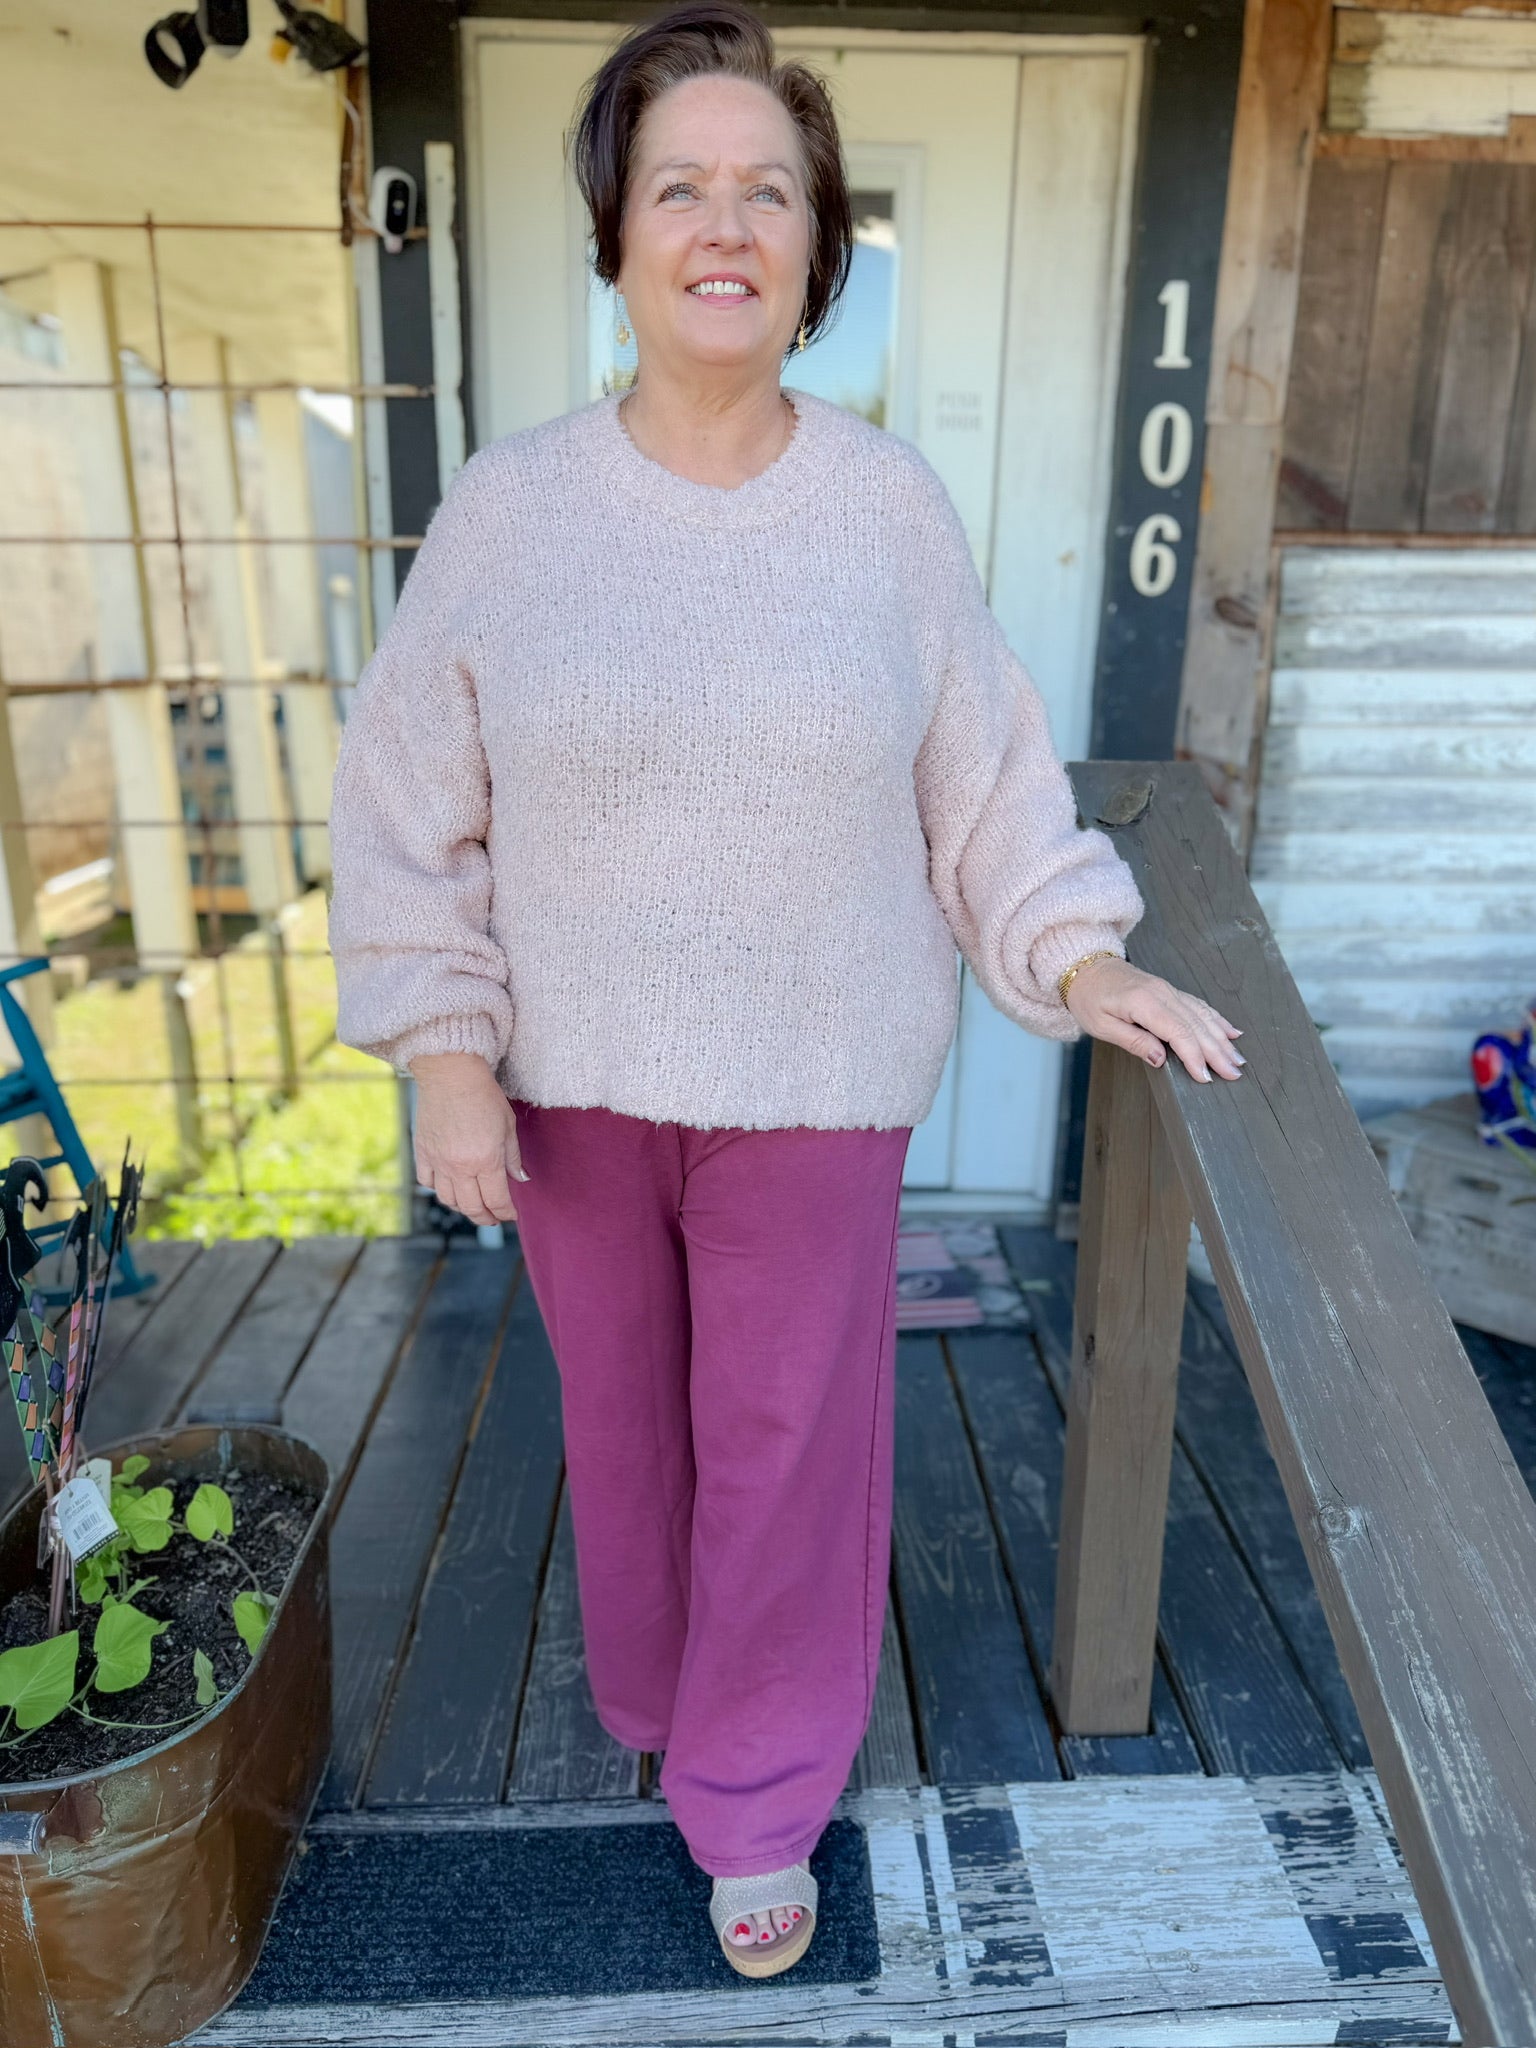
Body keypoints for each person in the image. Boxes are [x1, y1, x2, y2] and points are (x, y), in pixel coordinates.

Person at [326, 0, 1244, 1980]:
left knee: (787, 1449)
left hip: (816, 1080)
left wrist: (1081, 954)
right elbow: (410, 799)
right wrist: (444, 1055)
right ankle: (669, 1699)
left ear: (819, 241)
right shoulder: (512, 510)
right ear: (617, 231)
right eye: (683, 186)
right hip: (573, 1082)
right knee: (630, 1442)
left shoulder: (886, 510)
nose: (726, 223)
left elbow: (983, 776)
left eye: (772, 189)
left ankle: (753, 1796)